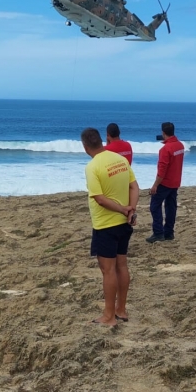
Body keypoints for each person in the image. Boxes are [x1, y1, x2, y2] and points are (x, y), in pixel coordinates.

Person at [81, 127, 139, 327]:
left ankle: (108, 316)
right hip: (124, 224)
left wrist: (124, 210)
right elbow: (134, 186)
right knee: (121, 265)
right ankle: (121, 310)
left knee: (108, 270)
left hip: (106, 224)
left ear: (85, 146)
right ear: (101, 141)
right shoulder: (120, 159)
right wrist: (131, 210)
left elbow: (99, 199)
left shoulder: (92, 166)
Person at [146, 122, 185, 243]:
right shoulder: (180, 145)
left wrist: (155, 185)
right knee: (171, 207)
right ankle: (169, 232)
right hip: (175, 181)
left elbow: (162, 171)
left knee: (155, 206)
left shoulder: (165, 149)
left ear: (163, 133)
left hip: (165, 183)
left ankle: (158, 233)